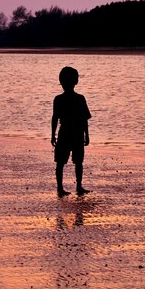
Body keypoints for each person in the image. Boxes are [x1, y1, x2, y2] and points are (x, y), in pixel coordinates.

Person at [51, 66, 92, 197]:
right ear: (76, 82)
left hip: (65, 133)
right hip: (76, 133)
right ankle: (77, 186)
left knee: (62, 162)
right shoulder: (79, 98)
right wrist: (87, 134)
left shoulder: (59, 99)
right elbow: (84, 119)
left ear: (61, 82)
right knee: (76, 162)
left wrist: (53, 134)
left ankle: (61, 187)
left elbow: (55, 119)